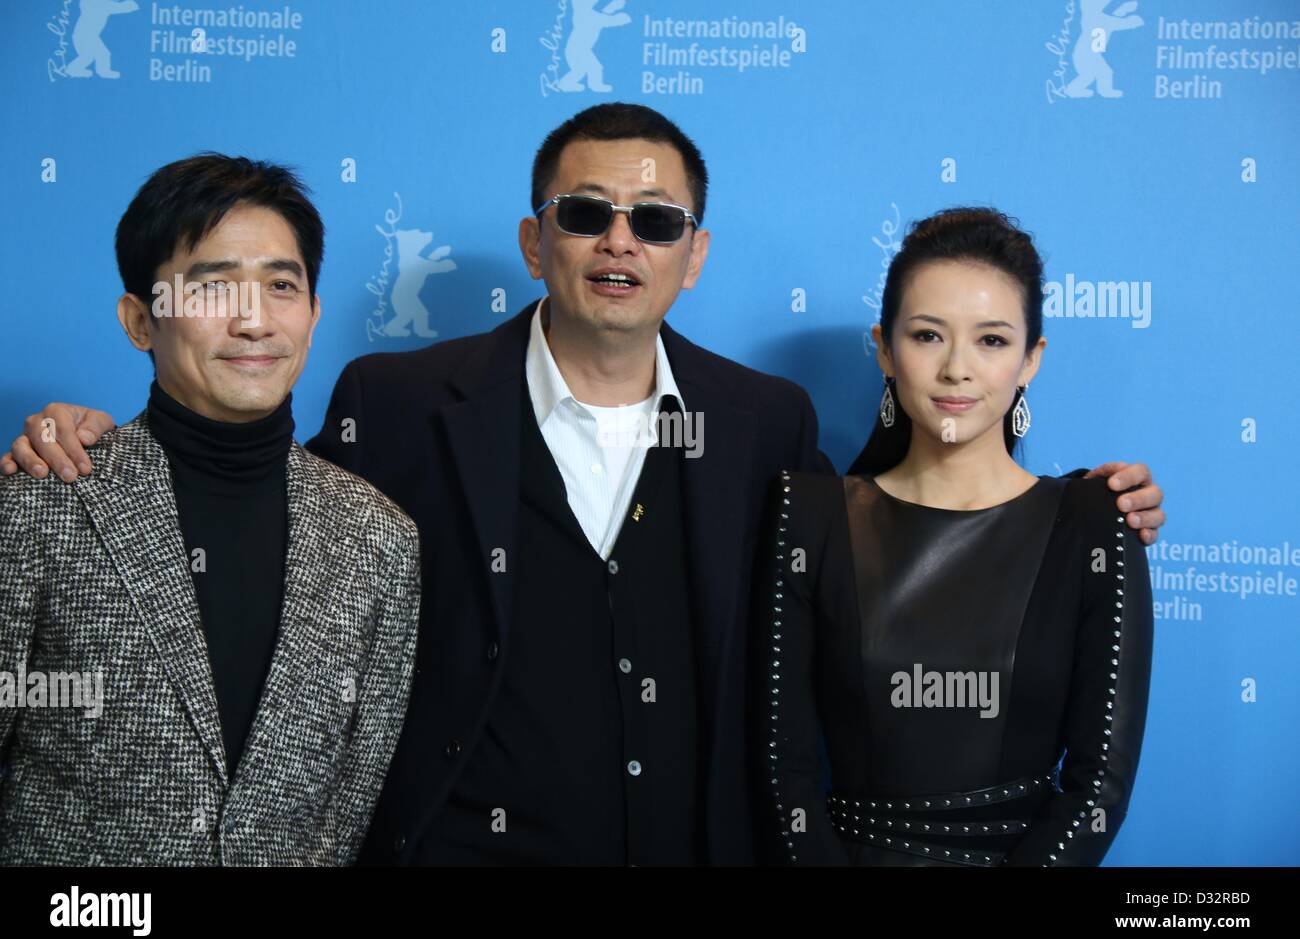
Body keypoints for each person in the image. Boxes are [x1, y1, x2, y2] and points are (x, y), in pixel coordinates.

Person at [0, 106, 1167, 866]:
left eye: (655, 220)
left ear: (693, 252)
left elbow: (881, 534)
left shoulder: (767, 421)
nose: (620, 240)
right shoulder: (400, 400)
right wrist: (100, 440)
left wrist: (1067, 513)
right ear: (533, 236)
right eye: (586, 213)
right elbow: (249, 489)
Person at [0, 154, 421, 865]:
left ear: (314, 315)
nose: (254, 321)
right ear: (140, 320)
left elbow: (349, 806)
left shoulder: (380, 537)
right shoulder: (44, 501)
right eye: (213, 288)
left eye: (282, 286)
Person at [753, 207, 1153, 866]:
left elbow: (1097, 793)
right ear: (884, 347)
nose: (957, 370)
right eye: (928, 335)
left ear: (1032, 359)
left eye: (992, 340)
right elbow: (782, 775)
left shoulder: (1095, 523)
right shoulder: (810, 513)